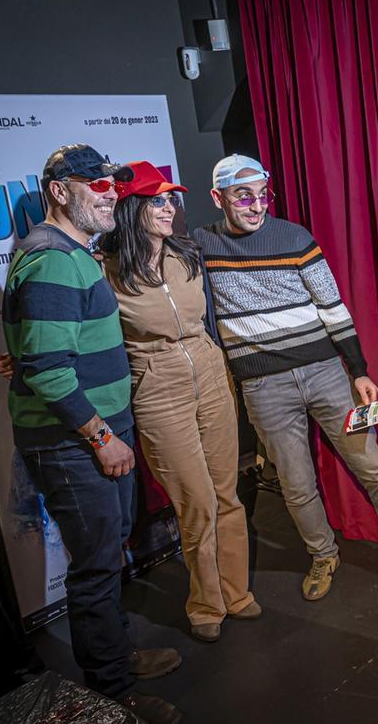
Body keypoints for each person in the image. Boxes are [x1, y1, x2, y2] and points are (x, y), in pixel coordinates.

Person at [191, 154, 378, 609]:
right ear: (218, 197)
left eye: (261, 194)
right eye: (242, 195)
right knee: (296, 482)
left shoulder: (294, 237)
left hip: (325, 373)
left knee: (374, 467)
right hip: (264, 386)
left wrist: (358, 370)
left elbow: (332, 307)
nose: (255, 205)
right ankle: (323, 555)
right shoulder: (200, 245)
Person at [2, 145, 182, 724]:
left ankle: (117, 655)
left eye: (111, 183)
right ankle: (113, 690)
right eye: (92, 184)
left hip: (97, 433)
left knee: (112, 548)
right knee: (97, 565)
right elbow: (48, 369)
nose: (108, 192)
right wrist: (103, 438)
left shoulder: (76, 252)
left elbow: (43, 351)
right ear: (58, 191)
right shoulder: (52, 258)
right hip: (75, 443)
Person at [103, 161, 260, 644]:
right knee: (196, 502)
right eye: (157, 200)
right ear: (132, 207)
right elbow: (79, 328)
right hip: (156, 386)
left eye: (171, 198)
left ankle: (237, 593)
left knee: (227, 494)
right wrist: (18, 355)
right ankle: (205, 602)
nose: (169, 207)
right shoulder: (104, 270)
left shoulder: (187, 254)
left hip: (210, 375)